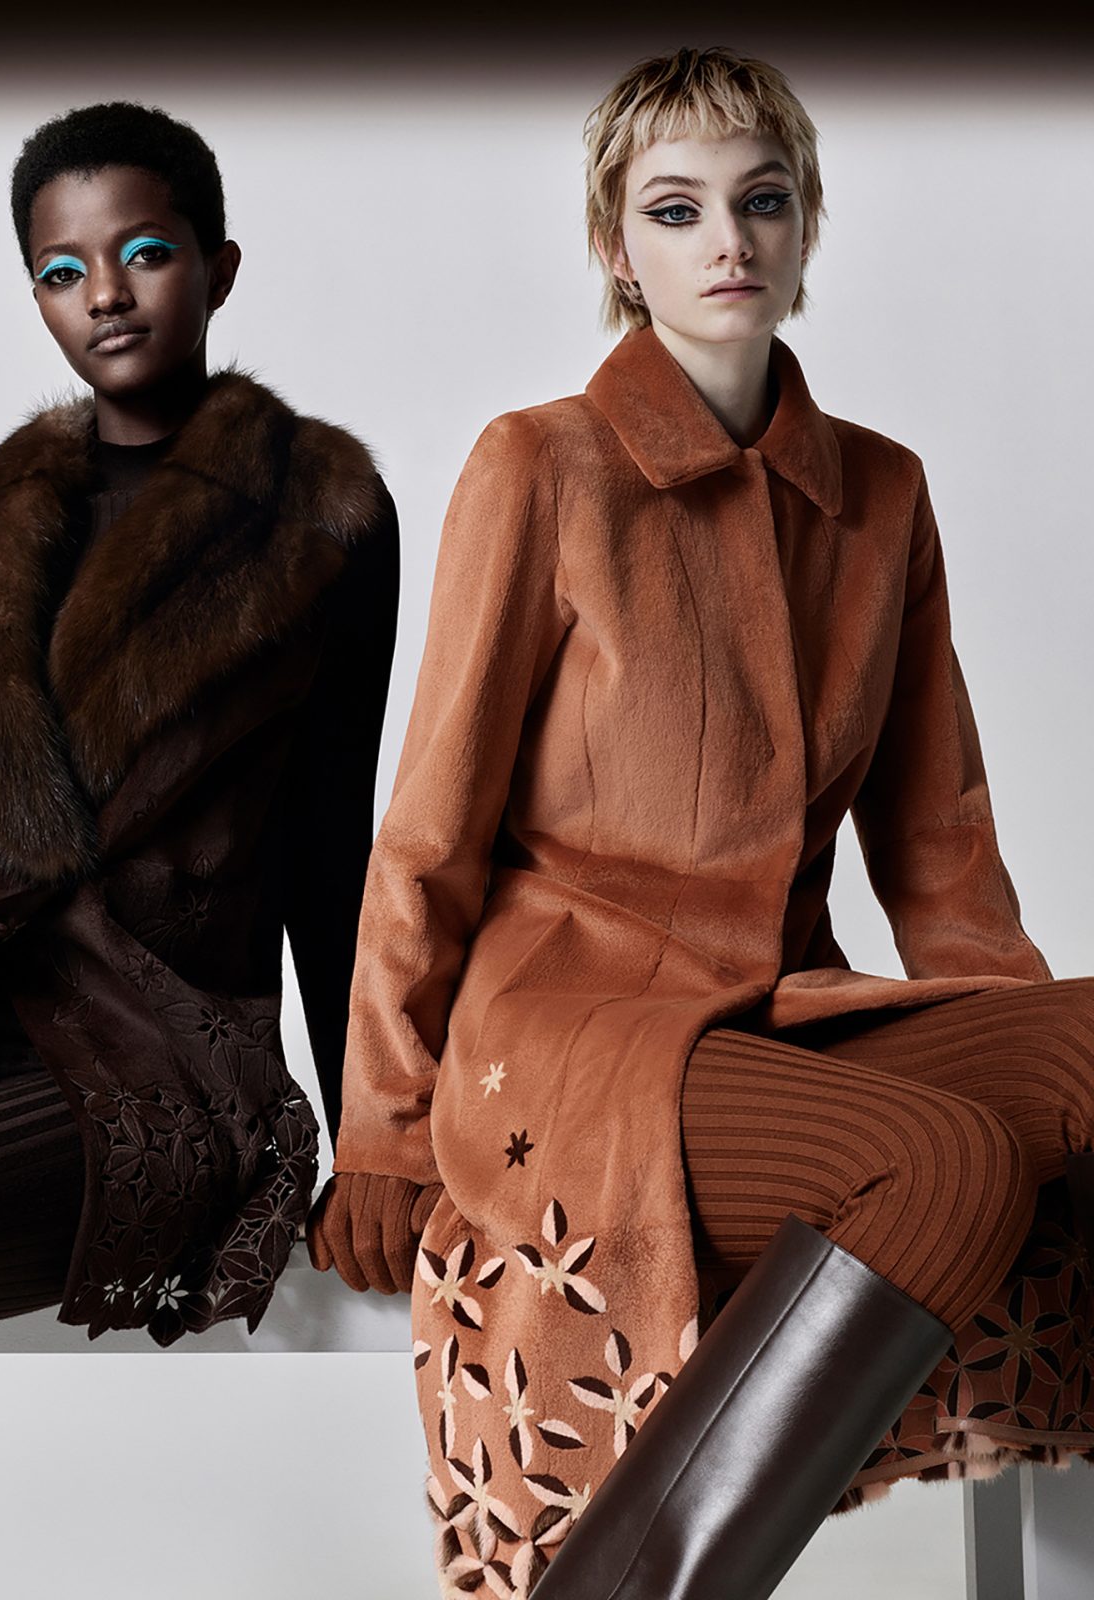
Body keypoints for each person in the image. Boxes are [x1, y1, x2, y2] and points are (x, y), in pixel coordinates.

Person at [307, 46, 1094, 1597]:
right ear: (619, 248)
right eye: (677, 210)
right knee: (946, 1164)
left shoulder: (882, 494)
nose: (727, 241)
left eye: (762, 202)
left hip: (779, 1017)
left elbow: (940, 848)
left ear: (806, 230)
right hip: (573, 1042)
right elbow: (429, 832)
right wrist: (384, 1131)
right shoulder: (541, 464)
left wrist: (1032, 1066)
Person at [0, 100, 399, 1348]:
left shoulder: (317, 513)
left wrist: (378, 1141)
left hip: (152, 1066)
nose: (107, 296)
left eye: (144, 252)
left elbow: (328, 855)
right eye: (62, 271)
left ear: (217, 268)